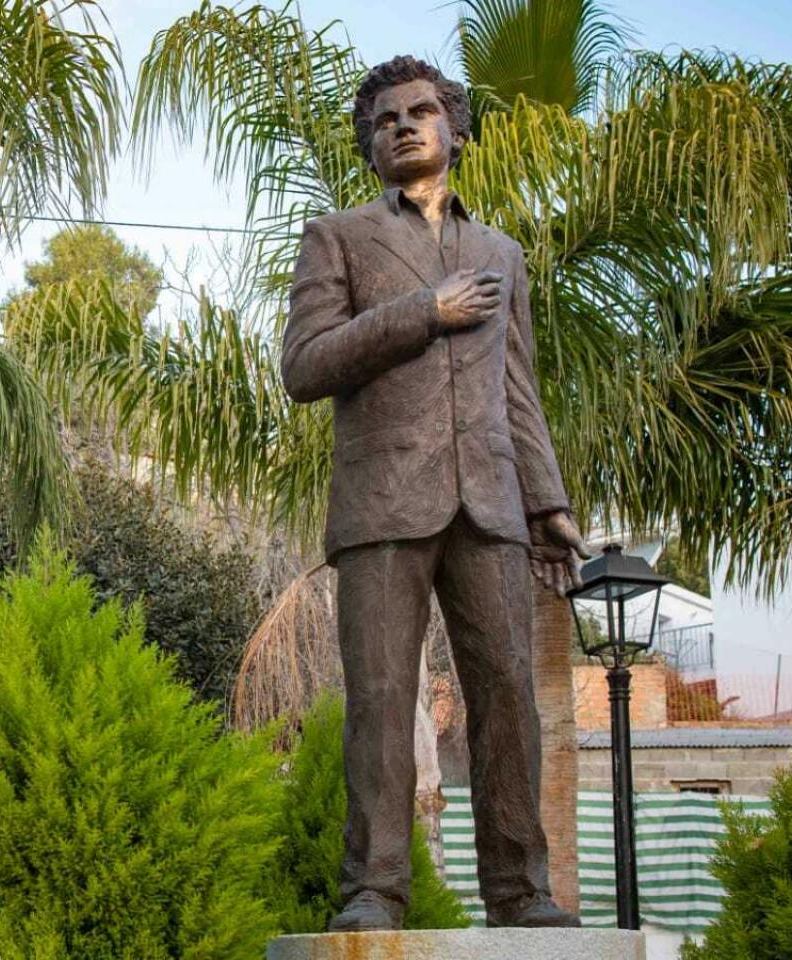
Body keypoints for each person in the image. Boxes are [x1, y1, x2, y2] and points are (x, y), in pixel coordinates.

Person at [280, 54, 586, 931]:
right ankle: (373, 890)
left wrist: (547, 504)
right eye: (385, 120)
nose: (404, 126)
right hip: (382, 501)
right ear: (371, 147)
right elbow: (304, 367)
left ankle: (522, 891)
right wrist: (425, 312)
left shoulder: (502, 253)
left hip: (489, 502)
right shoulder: (336, 237)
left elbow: (517, 390)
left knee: (507, 696)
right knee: (379, 697)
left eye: (420, 112)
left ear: (453, 128)